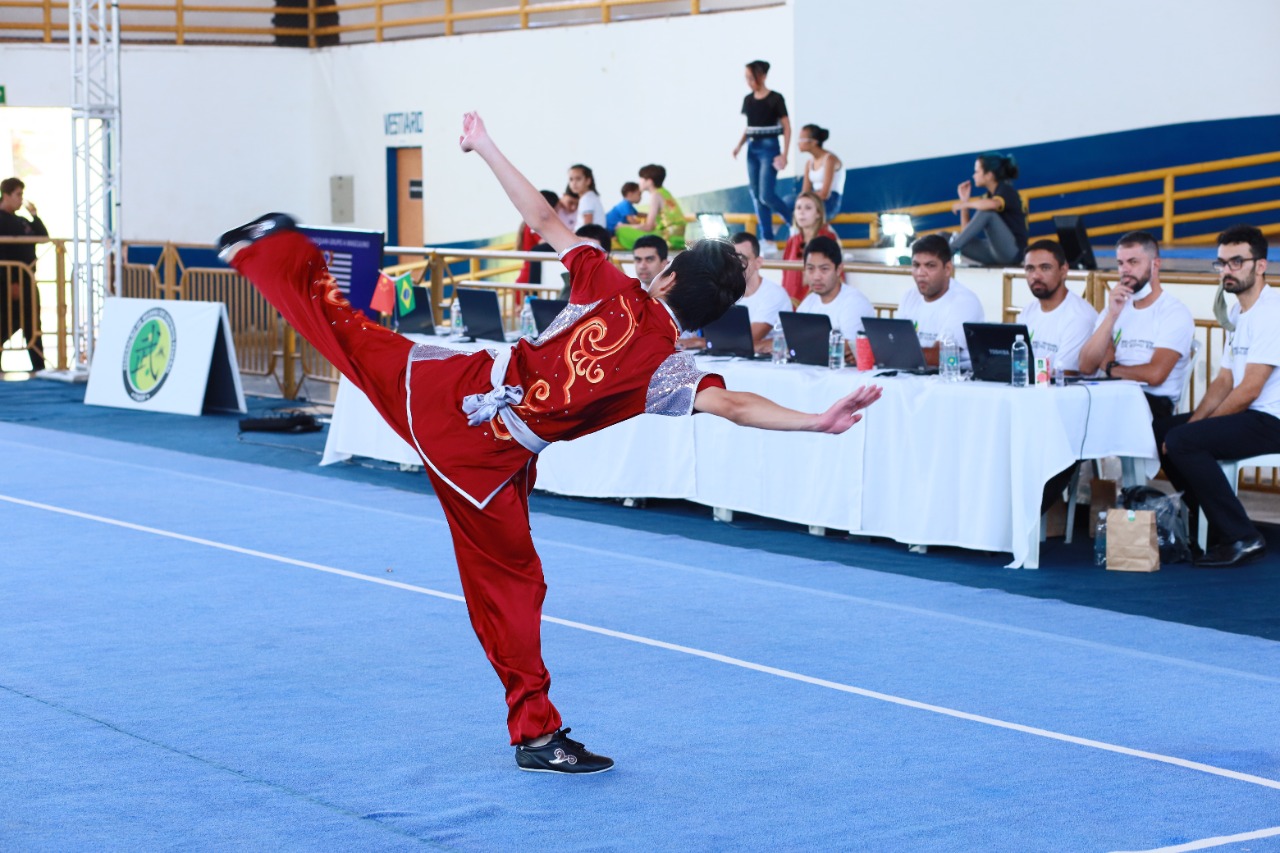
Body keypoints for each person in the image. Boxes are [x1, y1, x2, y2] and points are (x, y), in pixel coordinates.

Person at [216, 112, 882, 775]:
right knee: (512, 586)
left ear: (669, 276)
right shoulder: (667, 366)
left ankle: (266, 251)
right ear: (706, 314)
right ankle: (536, 732)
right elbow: (734, 404)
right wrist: (816, 420)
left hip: (455, 383)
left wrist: (484, 146)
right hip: (486, 454)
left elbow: (540, 215)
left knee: (349, 334)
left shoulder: (610, 282)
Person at [1154, 225, 1274, 568]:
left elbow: (1249, 389)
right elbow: (1224, 380)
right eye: (1221, 263)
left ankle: (1241, 536)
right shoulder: (1238, 312)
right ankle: (1204, 519)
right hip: (1252, 414)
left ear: (1261, 266)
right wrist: (1194, 423)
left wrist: (1191, 433)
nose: (1227, 271)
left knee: (1183, 442)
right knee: (1161, 432)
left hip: (1271, 418)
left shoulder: (1272, 312)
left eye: (1236, 262)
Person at [1078, 231, 1194, 419]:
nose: (1125, 270)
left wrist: (1109, 368)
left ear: (1155, 264)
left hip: (1152, 402)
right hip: (1113, 394)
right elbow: (1086, 365)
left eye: (1133, 262)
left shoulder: (1174, 312)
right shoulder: (1114, 308)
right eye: (1120, 263)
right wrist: (1111, 316)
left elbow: (1155, 375)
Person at [897, 234, 985, 368]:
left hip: (953, 382)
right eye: (916, 265)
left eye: (930, 266)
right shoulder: (909, 296)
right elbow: (897, 343)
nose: (921, 273)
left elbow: (940, 355)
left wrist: (891, 354)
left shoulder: (965, 301)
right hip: (914, 373)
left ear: (947, 269)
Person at [732, 59, 791, 246]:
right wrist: (740, 145)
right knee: (756, 195)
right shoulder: (748, 100)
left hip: (769, 147)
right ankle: (767, 237)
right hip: (752, 147)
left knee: (767, 194)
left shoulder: (776, 98)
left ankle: (794, 222)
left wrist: (784, 155)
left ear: (763, 76)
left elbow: (787, 127)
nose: (749, 81)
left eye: (752, 77)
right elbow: (749, 126)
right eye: (747, 78)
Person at [1020, 239, 1098, 375]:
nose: (1036, 276)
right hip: (1033, 391)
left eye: (1045, 268)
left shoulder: (1079, 317)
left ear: (1063, 270)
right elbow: (1017, 364)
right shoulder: (1027, 311)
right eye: (1030, 268)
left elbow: (1064, 375)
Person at [796, 235, 873, 365]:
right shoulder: (808, 302)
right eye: (810, 269)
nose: (816, 277)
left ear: (839, 270)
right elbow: (793, 339)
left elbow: (847, 348)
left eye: (824, 269)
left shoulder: (854, 302)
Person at [0, 177, 48, 371]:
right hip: (9, 281)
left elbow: (43, 236)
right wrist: (11, 281)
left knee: (32, 327)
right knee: (5, 323)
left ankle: (40, 368)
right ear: (7, 195)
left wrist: (35, 215)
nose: (21, 199)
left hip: (27, 279)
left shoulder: (21, 220)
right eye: (18, 195)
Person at [950, 152, 1028, 267]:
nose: (973, 176)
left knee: (987, 213)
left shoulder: (1006, 191)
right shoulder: (986, 198)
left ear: (989, 175)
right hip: (994, 253)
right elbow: (965, 234)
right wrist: (964, 203)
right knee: (946, 237)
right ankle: (947, 249)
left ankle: (948, 251)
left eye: (977, 172)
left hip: (1012, 253)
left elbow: (993, 205)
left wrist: (966, 205)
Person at [731, 232, 791, 352]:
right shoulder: (726, 292)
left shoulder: (774, 294)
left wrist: (701, 342)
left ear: (758, 262)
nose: (735, 265)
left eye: (742, 258)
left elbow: (745, 339)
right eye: (731, 259)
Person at [780, 192, 838, 304]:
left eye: (808, 208)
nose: (801, 212)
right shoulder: (792, 241)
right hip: (791, 304)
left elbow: (834, 276)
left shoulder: (828, 238)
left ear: (818, 214)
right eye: (798, 208)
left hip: (817, 304)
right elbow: (785, 276)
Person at [614, 164, 686, 251]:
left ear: (649, 181)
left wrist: (624, 226)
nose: (639, 181)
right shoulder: (665, 192)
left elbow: (649, 227)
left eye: (641, 178)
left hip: (667, 238)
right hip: (678, 237)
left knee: (621, 231)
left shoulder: (655, 195)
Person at [797, 124, 844, 219]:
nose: (798, 143)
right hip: (813, 199)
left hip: (829, 201)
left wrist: (808, 198)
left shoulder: (829, 159)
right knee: (788, 202)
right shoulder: (809, 163)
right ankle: (793, 228)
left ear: (814, 142)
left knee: (804, 209)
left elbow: (824, 194)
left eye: (802, 139)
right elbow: (804, 191)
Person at [515, 189, 562, 284]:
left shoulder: (531, 223)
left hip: (529, 276)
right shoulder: (535, 225)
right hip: (528, 280)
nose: (558, 213)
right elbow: (546, 243)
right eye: (557, 209)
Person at [568, 164, 606, 230]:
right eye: (571, 179)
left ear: (588, 181)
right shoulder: (590, 196)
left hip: (588, 238)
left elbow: (587, 227)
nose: (574, 183)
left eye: (578, 179)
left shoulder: (587, 199)